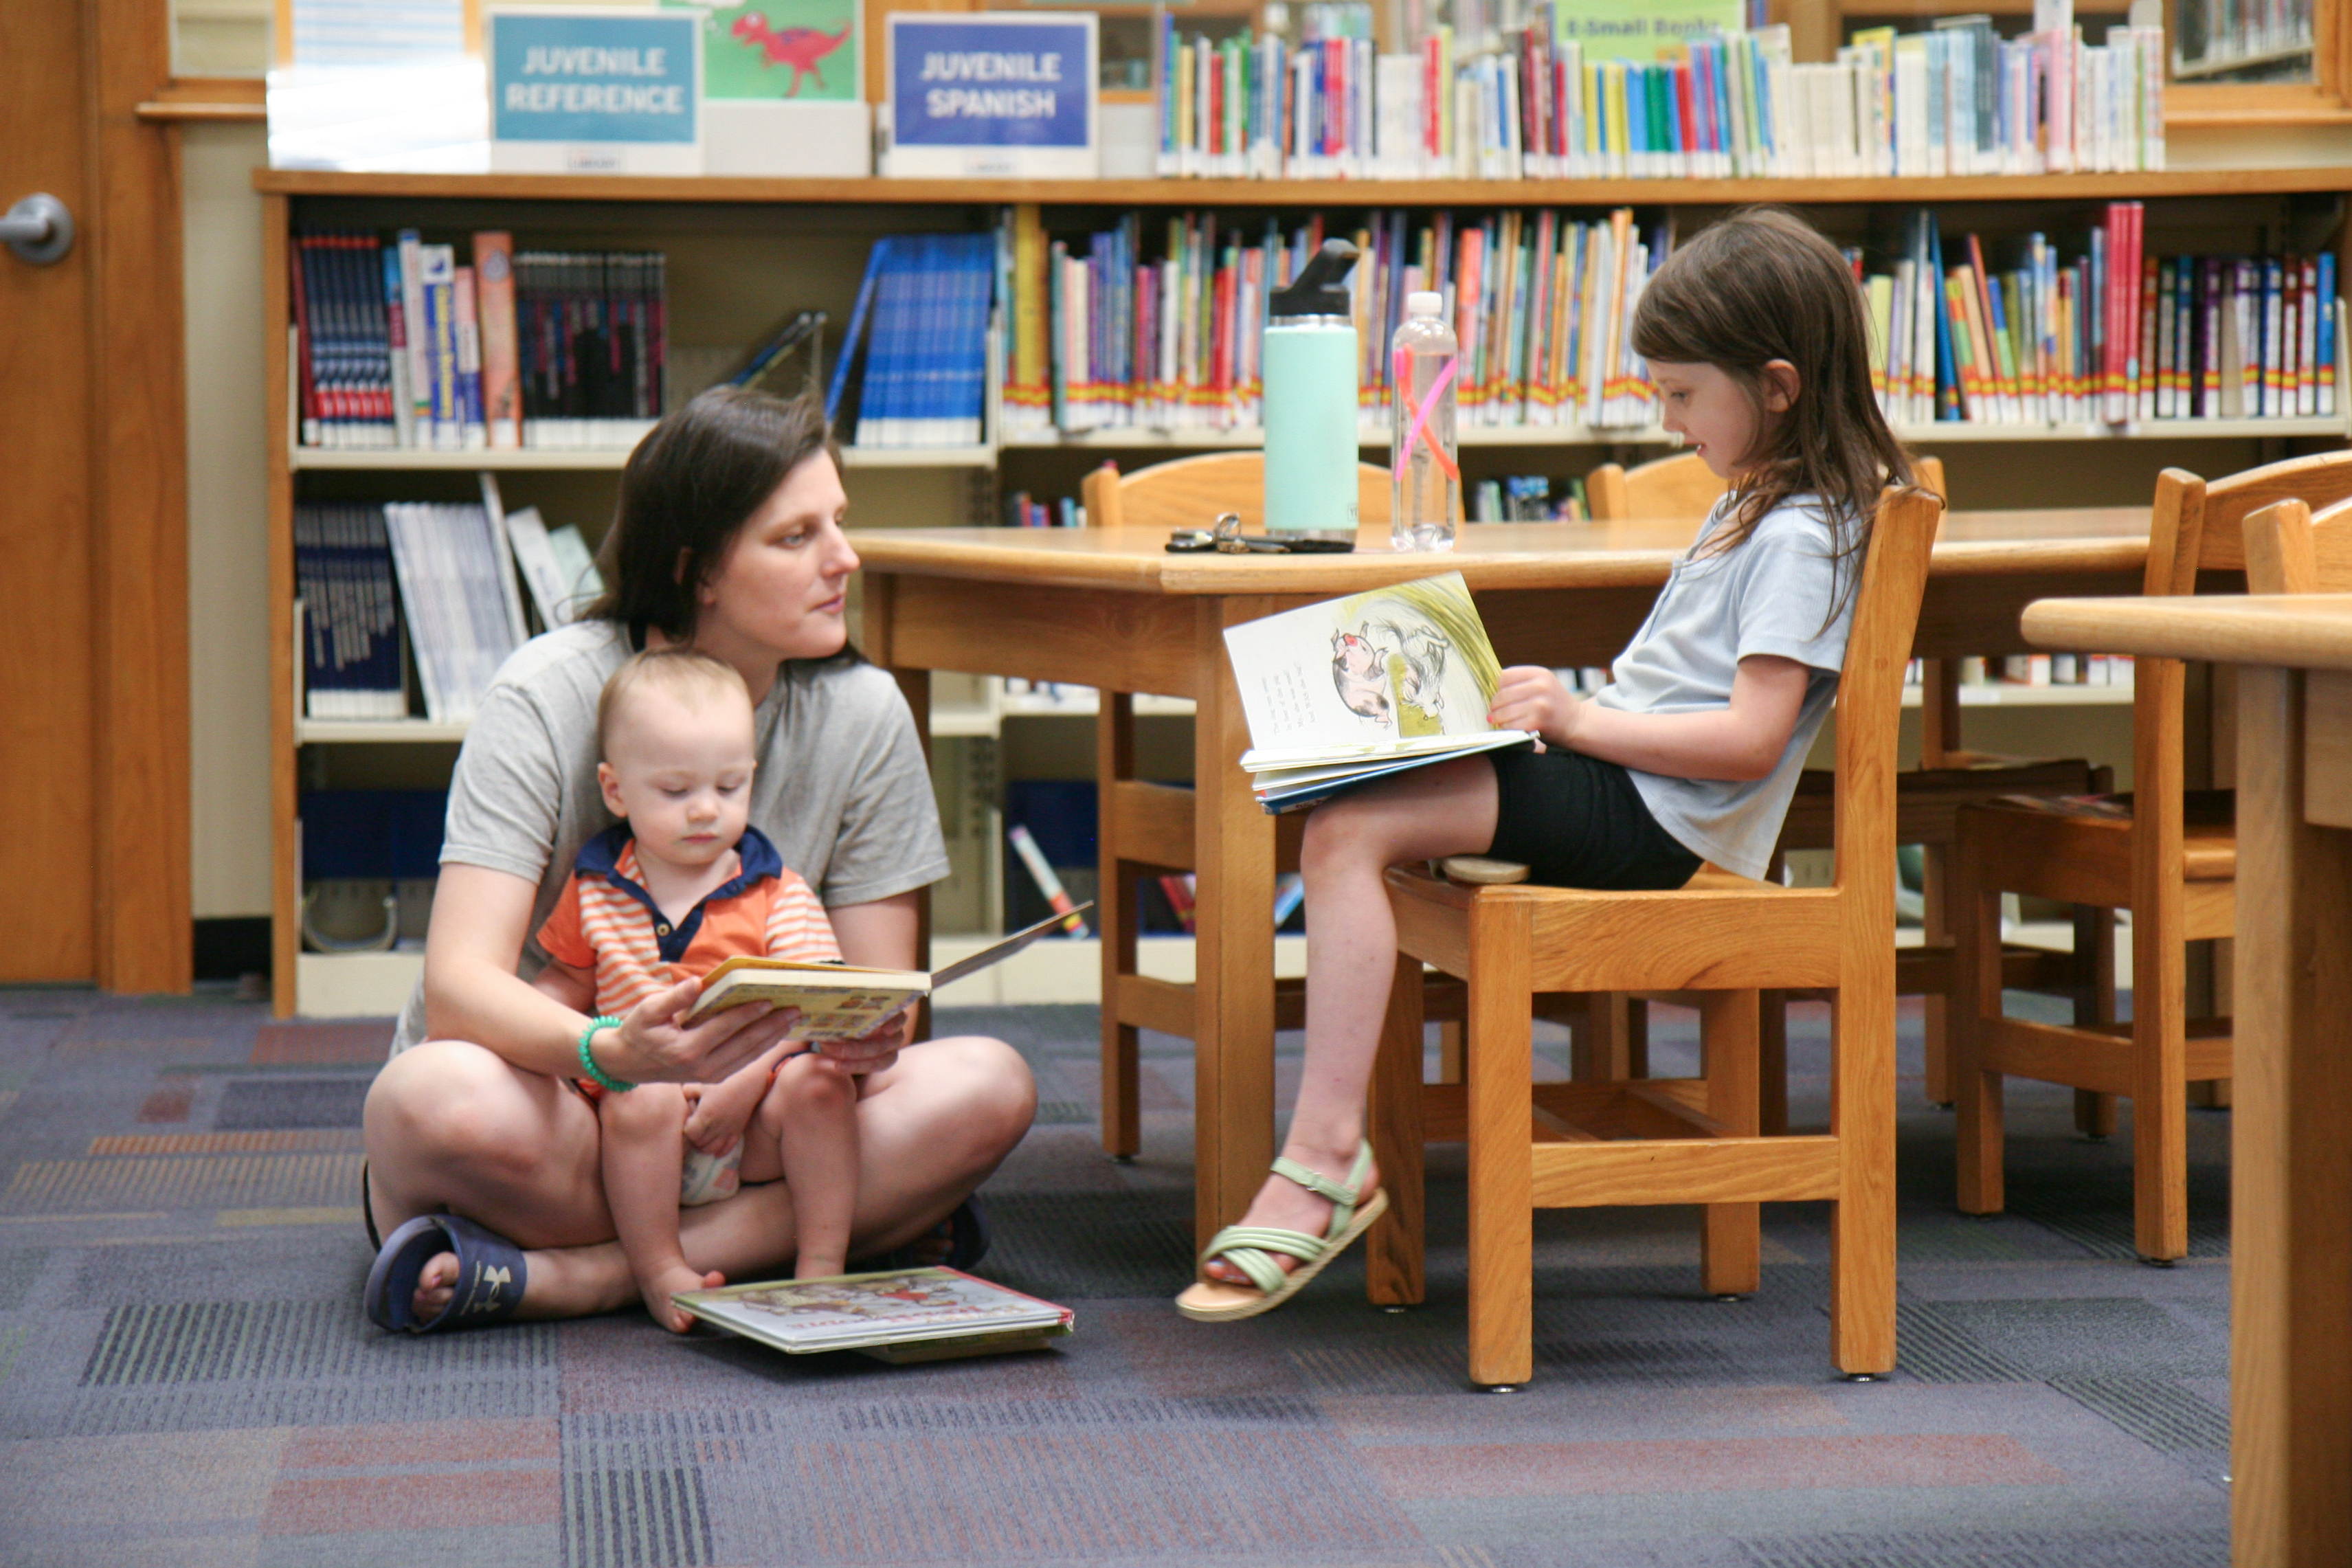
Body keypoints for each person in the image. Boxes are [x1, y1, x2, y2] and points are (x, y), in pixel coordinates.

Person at [1174, 208, 1916, 1321]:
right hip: (1630, 789)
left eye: (1679, 394)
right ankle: (1328, 1152)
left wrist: (1574, 722)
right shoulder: (1758, 502)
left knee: (1346, 828)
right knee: (1340, 798)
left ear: (1774, 386)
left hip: (1657, 825)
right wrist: (1560, 719)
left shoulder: (1800, 535)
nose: (1667, 422)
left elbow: (1748, 740)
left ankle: (1325, 1160)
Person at [361, 386, 1034, 1334]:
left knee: (989, 1084)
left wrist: (858, 1036)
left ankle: (584, 1274)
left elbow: (883, 1004)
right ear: (698, 570)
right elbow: (460, 987)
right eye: (796, 536)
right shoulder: (545, 695)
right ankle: (827, 1227)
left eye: (838, 523)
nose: (845, 558)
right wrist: (613, 1051)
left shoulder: (865, 711)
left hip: (755, 1113)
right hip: (562, 1099)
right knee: (421, 1101)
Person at [530, 648, 877, 1332]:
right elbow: (566, 981)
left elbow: (813, 1011)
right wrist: (531, 1046)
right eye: (675, 790)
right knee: (642, 1095)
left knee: (821, 1086)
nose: (704, 811)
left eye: (728, 787)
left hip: (751, 1119)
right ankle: (660, 1270)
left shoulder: (777, 890)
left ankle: (822, 1265)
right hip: (641, 1121)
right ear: (617, 789)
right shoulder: (597, 885)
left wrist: (746, 1082)